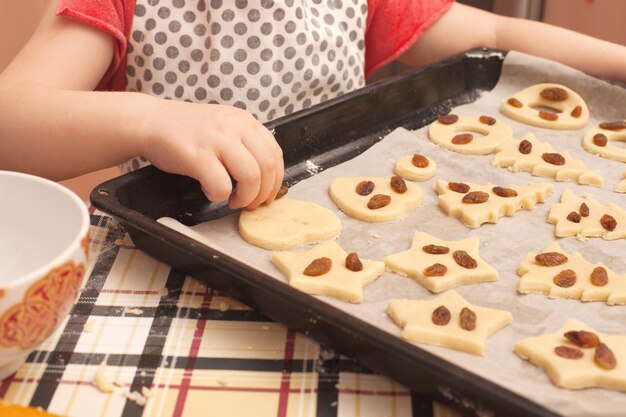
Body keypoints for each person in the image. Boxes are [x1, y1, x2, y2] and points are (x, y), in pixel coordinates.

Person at [1, 0, 625, 210]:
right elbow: (10, 121)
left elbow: (495, 39)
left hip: (337, 231)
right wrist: (150, 116)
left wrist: (617, 62)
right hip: (172, 244)